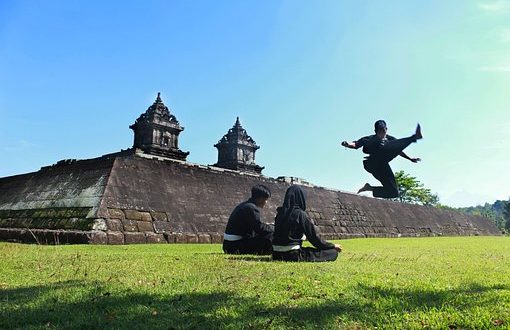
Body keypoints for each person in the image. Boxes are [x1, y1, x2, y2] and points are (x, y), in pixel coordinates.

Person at [341, 120, 422, 199]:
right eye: (380, 132)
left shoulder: (390, 139)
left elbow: (398, 150)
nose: (382, 134)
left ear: (386, 129)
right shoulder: (369, 139)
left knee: (393, 192)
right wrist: (348, 144)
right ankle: (414, 137)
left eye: (384, 131)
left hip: (383, 166)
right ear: (376, 131)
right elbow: (356, 144)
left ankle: (369, 188)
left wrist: (410, 158)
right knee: (385, 149)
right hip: (372, 163)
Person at [272, 185, 341, 262]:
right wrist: (332, 246)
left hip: (276, 254)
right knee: (332, 253)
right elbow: (314, 238)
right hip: (292, 254)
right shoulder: (300, 214)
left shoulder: (280, 214)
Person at [223, 184, 274, 255]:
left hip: (228, 245)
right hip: (235, 247)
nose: (266, 202)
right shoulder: (251, 208)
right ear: (260, 198)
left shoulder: (245, 206)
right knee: (271, 235)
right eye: (265, 199)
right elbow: (259, 228)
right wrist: (274, 228)